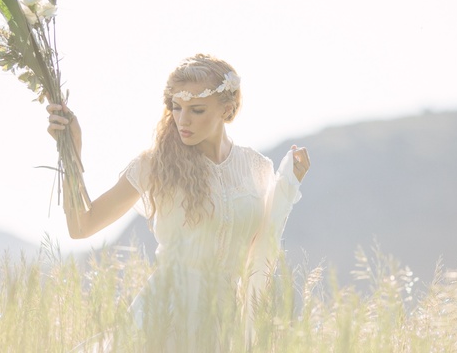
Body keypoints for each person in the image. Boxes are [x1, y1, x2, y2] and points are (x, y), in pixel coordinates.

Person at [47, 53, 310, 351]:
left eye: (196, 110)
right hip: (164, 318)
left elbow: (262, 246)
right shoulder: (155, 165)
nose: (183, 120)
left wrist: (287, 186)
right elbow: (82, 226)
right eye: (176, 107)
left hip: (224, 324)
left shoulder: (257, 168)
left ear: (227, 109)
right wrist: (71, 150)